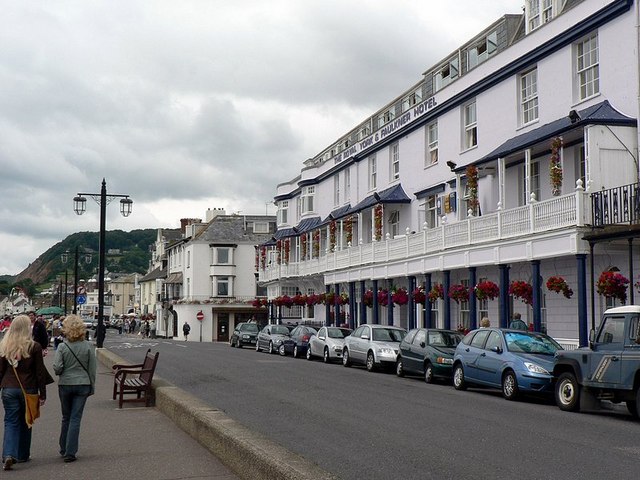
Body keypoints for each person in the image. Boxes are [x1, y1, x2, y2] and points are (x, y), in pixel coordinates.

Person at [0, 315, 52, 471]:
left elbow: (0, 371)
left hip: (8, 388)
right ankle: (22, 454)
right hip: (28, 389)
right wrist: (42, 394)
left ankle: (8, 454)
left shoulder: (4, 346)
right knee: (27, 420)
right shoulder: (34, 346)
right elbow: (39, 373)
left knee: (10, 421)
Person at [53, 314, 96, 463]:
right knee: (75, 418)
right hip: (83, 384)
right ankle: (70, 452)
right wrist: (92, 386)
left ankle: (63, 447)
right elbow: (92, 369)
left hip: (65, 384)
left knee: (66, 417)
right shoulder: (88, 347)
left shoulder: (63, 347)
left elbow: (57, 368)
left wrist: (62, 370)